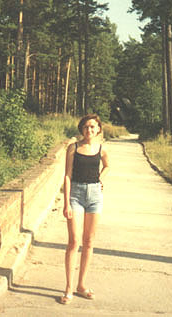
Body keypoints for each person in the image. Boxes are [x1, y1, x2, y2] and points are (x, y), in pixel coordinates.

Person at [60, 114, 110, 305]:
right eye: (86, 127)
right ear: (81, 129)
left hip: (95, 197)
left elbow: (107, 166)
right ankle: (68, 288)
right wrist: (66, 203)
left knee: (88, 241)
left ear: (98, 129)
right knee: (74, 241)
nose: (89, 130)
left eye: (92, 127)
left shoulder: (102, 149)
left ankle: (81, 285)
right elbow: (67, 175)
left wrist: (101, 179)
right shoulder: (73, 148)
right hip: (76, 195)